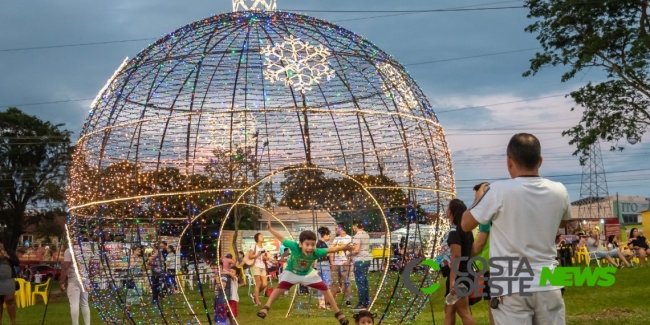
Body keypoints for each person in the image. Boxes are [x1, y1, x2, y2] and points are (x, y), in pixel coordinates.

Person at [461, 133, 572, 325]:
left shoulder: (498, 190)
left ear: (509, 162)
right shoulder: (559, 190)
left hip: (510, 284)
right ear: (540, 161)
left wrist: (479, 197)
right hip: (549, 281)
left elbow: (465, 224)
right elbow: (563, 223)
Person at [257, 219, 353, 325]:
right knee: (280, 288)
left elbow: (330, 250)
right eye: (307, 244)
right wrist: (270, 229)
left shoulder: (316, 252)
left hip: (307, 274)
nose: (310, 247)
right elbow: (281, 237)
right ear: (300, 244)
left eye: (312, 245)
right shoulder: (294, 247)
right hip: (291, 273)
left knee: (324, 288)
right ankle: (266, 307)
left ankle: (338, 312)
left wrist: (344, 247)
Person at [443, 199, 475, 325]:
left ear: (452, 211)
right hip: (466, 273)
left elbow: (456, 256)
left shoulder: (454, 232)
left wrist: (452, 281)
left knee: (463, 311)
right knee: (449, 309)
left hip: (459, 276)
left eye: (448, 208)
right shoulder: (467, 231)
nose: (446, 211)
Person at [471, 183, 494, 325]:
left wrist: (467, 255)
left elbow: (480, 243)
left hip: (489, 266)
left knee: (493, 303)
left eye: (477, 195)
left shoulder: (486, 217)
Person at [59, 245, 90, 325]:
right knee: (85, 303)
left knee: (74, 304)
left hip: (73, 278)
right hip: (85, 278)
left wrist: (62, 282)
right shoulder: (87, 249)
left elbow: (66, 267)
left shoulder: (69, 250)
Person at [350, 223, 372, 310]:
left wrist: (349, 254)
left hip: (359, 260)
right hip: (367, 259)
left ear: (355, 226)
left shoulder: (357, 236)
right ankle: (366, 302)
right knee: (364, 282)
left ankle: (362, 303)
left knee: (360, 282)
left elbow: (356, 250)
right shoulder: (366, 234)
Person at [331, 223, 353, 307]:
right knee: (335, 282)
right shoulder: (336, 239)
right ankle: (333, 301)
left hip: (345, 264)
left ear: (341, 229)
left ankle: (348, 300)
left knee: (347, 282)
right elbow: (332, 250)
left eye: (337, 228)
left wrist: (348, 261)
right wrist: (332, 262)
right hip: (336, 264)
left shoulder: (349, 239)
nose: (336, 229)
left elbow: (352, 252)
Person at [315, 226, 334, 309]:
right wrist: (331, 251)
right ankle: (325, 301)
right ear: (325, 235)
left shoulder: (319, 243)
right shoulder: (321, 244)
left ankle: (322, 302)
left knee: (321, 283)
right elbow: (322, 254)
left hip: (320, 264)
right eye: (329, 235)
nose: (329, 237)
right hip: (324, 263)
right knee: (327, 283)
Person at [0, 240, 18, 325]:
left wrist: (7, 256)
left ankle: (13, 322)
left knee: (10, 300)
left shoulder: (9, 252)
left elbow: (17, 262)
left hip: (8, 280)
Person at [248, 233, 268, 305]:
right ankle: (257, 301)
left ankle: (253, 295)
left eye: (262, 236)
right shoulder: (254, 246)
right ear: (257, 238)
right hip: (256, 266)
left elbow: (263, 257)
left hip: (262, 266)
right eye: (261, 236)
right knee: (258, 283)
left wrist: (268, 258)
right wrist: (257, 255)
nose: (262, 237)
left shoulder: (264, 247)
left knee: (265, 284)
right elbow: (250, 256)